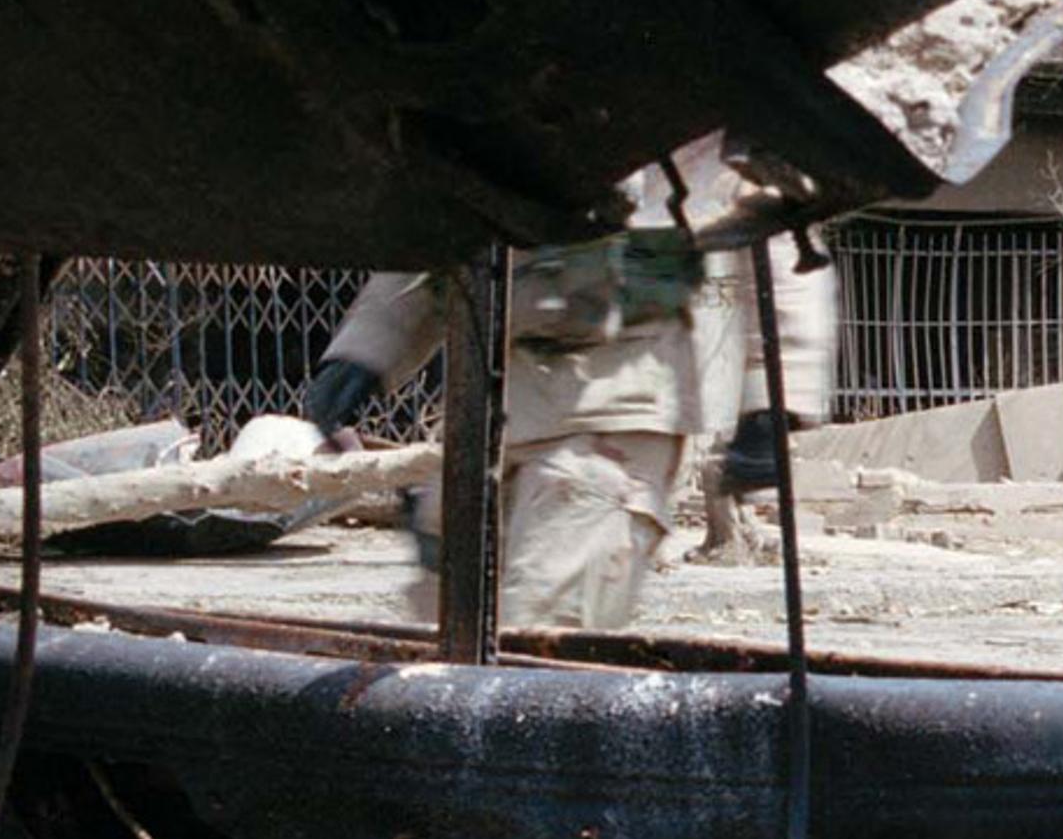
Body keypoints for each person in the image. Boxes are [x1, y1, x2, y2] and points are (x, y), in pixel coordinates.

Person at [303, 165, 835, 631]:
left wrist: (772, 401)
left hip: (615, 415)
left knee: (540, 636)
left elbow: (775, 230)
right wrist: (364, 352)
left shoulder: (675, 97)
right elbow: (439, 224)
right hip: (490, 407)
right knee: (447, 636)